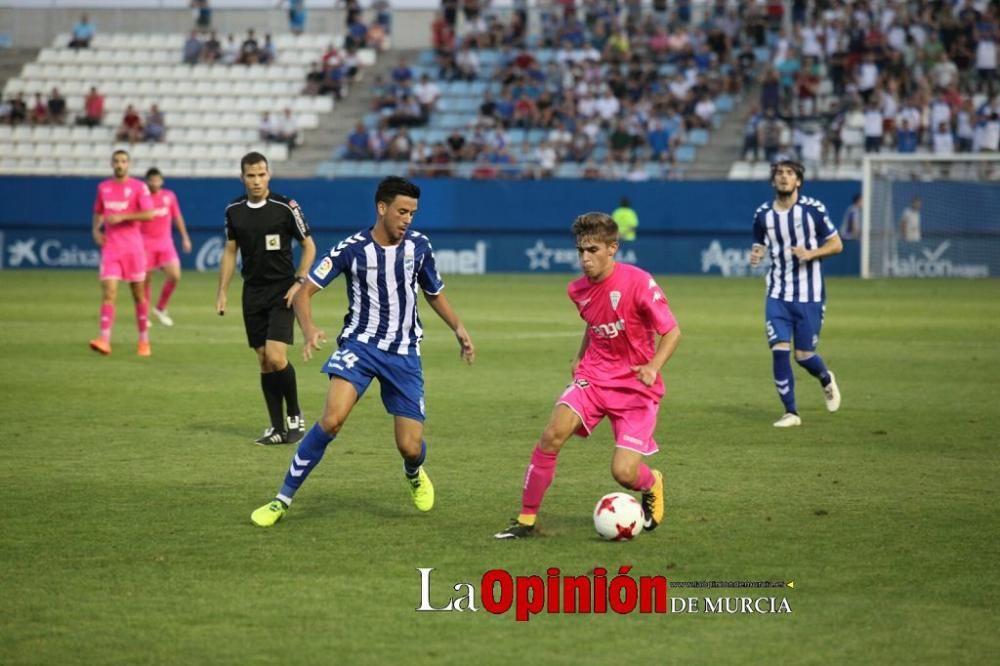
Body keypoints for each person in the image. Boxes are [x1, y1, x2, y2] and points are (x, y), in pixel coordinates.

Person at [248, 176, 476, 528]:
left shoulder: (419, 247)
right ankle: (281, 499)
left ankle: (414, 472)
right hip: (360, 346)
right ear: (381, 208)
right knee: (332, 419)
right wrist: (308, 329)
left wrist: (458, 327)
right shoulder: (351, 249)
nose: (407, 219)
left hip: (403, 353)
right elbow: (304, 293)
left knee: (410, 446)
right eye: (402, 211)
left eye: (413, 213)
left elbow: (433, 291)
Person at [494, 212, 681, 539]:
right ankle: (526, 520)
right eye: (581, 250)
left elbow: (672, 331)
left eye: (592, 250)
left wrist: (653, 367)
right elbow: (595, 322)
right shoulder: (577, 290)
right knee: (553, 433)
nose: (584, 258)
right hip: (593, 378)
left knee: (623, 472)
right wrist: (581, 356)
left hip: (636, 387)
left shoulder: (638, 282)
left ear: (613, 248)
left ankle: (652, 482)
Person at [216, 152, 317, 445]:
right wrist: (223, 290)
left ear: (269, 175)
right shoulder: (233, 210)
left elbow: (309, 246)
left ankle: (295, 415)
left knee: (276, 357)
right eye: (251, 175)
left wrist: (300, 281)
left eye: (262, 174)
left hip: (282, 290)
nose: (257, 180)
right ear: (242, 177)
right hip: (253, 292)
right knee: (263, 361)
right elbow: (230, 251)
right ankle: (276, 428)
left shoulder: (286, 207)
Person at [749, 160, 843, 428]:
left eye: (790, 173)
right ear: (773, 181)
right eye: (779, 173)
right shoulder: (763, 214)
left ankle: (825, 378)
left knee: (803, 356)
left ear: (798, 181)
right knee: (779, 350)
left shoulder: (813, 210)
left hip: (809, 296)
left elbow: (836, 244)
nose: (784, 177)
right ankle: (791, 412)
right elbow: (759, 241)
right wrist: (757, 253)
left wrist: (812, 253)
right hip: (777, 293)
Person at [89, 150, 157, 357]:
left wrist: (123, 217)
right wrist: (95, 230)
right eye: (117, 161)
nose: (120, 164)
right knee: (109, 292)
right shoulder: (103, 187)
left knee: (138, 295)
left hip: (133, 250)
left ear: (129, 164)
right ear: (112, 164)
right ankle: (104, 339)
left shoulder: (139, 187)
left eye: (123, 161)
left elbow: (149, 214)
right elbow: (98, 211)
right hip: (111, 249)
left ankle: (144, 341)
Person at [142, 168, 192, 327]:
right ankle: (143, 314)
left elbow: (177, 217)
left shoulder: (169, 196)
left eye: (158, 180)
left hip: (165, 243)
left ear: (162, 181)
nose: (155, 183)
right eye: (152, 180)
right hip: (145, 244)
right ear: (147, 181)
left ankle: (160, 308)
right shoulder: (142, 198)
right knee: (146, 280)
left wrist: (185, 237)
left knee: (175, 275)